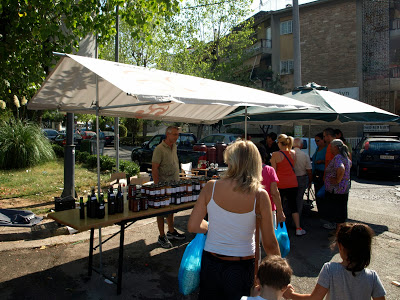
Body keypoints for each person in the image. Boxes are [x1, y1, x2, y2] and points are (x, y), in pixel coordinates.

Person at [188, 140, 280, 300]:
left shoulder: (211, 187)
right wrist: (279, 275)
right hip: (241, 266)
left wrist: (212, 227)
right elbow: (270, 244)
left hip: (211, 262)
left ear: (230, 161)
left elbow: (193, 226)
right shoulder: (259, 195)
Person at [283, 223, 386, 300]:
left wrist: (291, 294)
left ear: (340, 246)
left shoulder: (330, 269)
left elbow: (314, 298)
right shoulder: (372, 277)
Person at [152, 126, 185, 248]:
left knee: (171, 209)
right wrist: (157, 186)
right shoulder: (159, 149)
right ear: (168, 134)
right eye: (174, 134)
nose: (177, 137)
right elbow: (154, 168)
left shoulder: (174, 146)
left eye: (177, 135)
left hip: (174, 184)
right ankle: (161, 236)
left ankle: (171, 232)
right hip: (163, 185)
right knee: (161, 212)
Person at [270, 134, 306, 236]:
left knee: (278, 205)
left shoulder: (275, 154)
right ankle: (298, 228)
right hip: (293, 182)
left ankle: (277, 229)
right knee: (293, 205)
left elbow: (274, 171)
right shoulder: (293, 153)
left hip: (280, 183)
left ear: (279, 143)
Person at [323, 139, 352, 231]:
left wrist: (337, 180)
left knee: (337, 210)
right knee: (342, 209)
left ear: (335, 147)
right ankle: (340, 230)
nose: (330, 149)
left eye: (331, 147)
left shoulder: (338, 157)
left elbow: (341, 168)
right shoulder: (345, 156)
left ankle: (338, 231)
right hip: (343, 188)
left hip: (336, 189)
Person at [256, 143, 286, 226]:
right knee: (268, 237)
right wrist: (280, 211)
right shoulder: (269, 170)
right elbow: (274, 192)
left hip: (250, 209)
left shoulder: (245, 171)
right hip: (268, 208)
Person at [293, 138, 312, 217]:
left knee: (288, 199)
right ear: (301, 145)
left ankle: (287, 219)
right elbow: (309, 170)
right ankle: (297, 219)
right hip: (301, 178)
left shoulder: (288, 154)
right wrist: (310, 181)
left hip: (291, 178)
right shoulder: (304, 155)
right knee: (299, 199)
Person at [311, 133, 327, 214]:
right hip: (316, 172)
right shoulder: (317, 149)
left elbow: (330, 161)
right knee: (317, 192)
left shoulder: (327, 149)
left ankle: (324, 212)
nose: (316, 142)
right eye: (315, 141)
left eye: (318, 140)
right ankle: (320, 211)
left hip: (323, 173)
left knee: (322, 193)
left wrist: (322, 161)